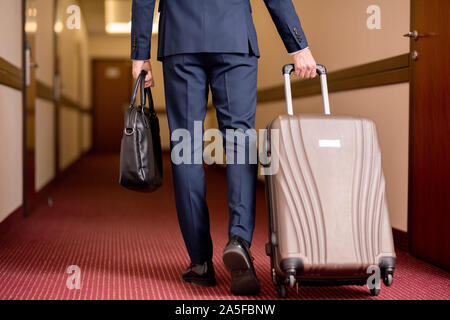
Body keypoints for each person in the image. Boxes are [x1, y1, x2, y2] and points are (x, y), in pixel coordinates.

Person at [131, 0, 316, 296]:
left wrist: (140, 55)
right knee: (240, 140)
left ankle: (201, 263)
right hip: (234, 37)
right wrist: (297, 45)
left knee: (186, 147)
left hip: (180, 39)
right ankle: (239, 241)